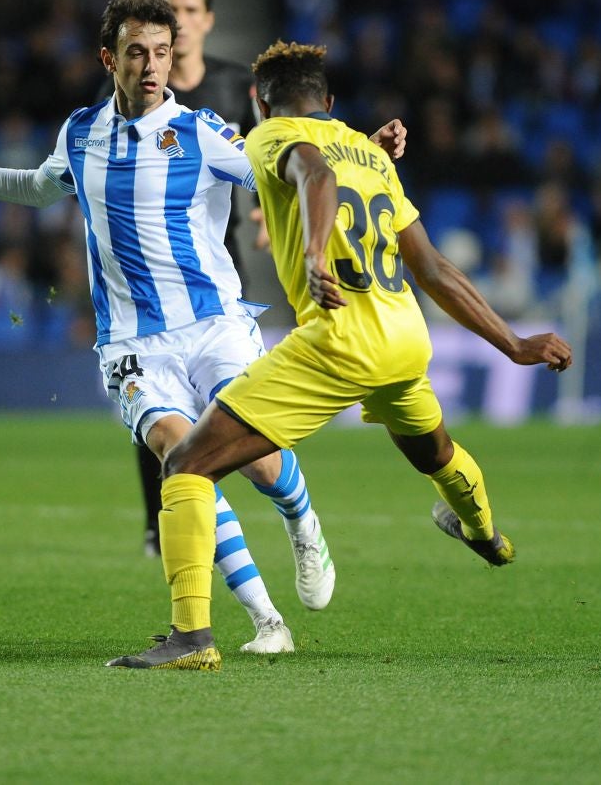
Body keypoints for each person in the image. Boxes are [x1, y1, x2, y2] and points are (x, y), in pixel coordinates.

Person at [0, 0, 402, 654]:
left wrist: (361, 147)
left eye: (162, 53)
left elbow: (289, 165)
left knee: (256, 464)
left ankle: (302, 521)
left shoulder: (202, 132)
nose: (152, 66)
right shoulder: (80, 133)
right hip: (133, 341)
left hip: (215, 324)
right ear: (111, 59)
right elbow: (38, 186)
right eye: (137, 52)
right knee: (181, 458)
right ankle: (264, 619)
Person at [107, 41, 572, 671]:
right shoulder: (370, 155)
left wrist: (315, 253)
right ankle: (487, 535)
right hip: (403, 337)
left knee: (187, 465)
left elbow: (314, 174)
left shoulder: (271, 137)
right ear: (330, 102)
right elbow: (430, 265)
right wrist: (514, 343)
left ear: (258, 102)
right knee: (432, 452)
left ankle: (191, 638)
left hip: (337, 340)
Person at [117, 0, 258, 555]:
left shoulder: (234, 86)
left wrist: (268, 218)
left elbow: (264, 155)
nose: (182, 20)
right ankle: (161, 517)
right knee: (153, 390)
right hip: (151, 276)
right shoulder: (141, 92)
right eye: (171, 9)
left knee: (230, 398)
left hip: (219, 265)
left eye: (191, 10)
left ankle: (208, 498)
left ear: (207, 21)